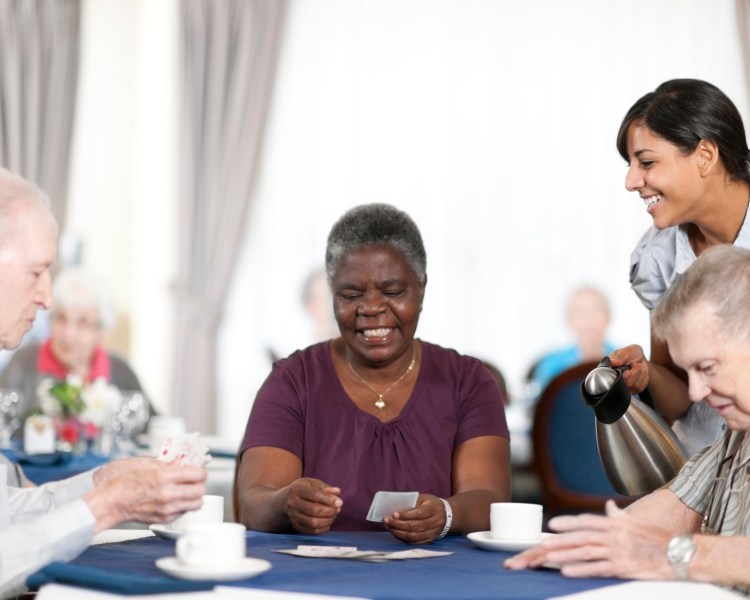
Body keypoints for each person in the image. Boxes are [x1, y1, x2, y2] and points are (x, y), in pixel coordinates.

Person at [236, 203, 510, 543]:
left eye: (393, 292)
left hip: (439, 581)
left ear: (421, 289)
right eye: (350, 294)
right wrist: (285, 502)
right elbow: (252, 504)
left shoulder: (468, 381)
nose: (371, 308)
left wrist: (446, 514)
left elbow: (490, 499)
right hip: (319, 582)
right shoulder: (293, 380)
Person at [0, 168, 206, 596]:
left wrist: (103, 482)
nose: (47, 297)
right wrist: (109, 504)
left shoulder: (117, 367)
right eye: (35, 272)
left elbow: (8, 509)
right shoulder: (22, 363)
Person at [505, 246, 750, 592]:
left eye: (707, 368)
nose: (695, 393)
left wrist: (670, 552)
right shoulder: (739, 433)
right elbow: (678, 505)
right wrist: (585, 546)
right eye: (689, 370)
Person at [609, 79, 750, 457]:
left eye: (647, 162)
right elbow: (684, 398)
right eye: (631, 165)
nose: (631, 181)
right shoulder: (659, 256)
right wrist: (648, 373)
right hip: (698, 468)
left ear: (705, 155)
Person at [0, 268, 149, 421]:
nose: (68, 334)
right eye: (61, 318)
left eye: (83, 322)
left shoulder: (120, 370)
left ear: (103, 331)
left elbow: (153, 424)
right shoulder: (24, 362)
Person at [531, 286, 615, 391]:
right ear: (569, 319)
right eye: (580, 312)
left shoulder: (624, 362)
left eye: (596, 311)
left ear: (608, 317)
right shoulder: (550, 366)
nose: (588, 319)